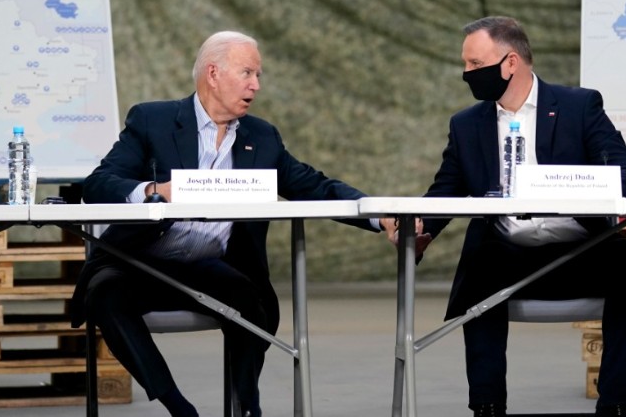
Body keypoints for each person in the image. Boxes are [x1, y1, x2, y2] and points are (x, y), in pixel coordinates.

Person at [70, 31, 396, 417]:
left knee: (251, 300)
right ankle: (178, 407)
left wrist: (377, 214)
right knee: (105, 292)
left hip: (207, 267)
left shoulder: (262, 137)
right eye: (247, 73)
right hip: (140, 262)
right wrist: (157, 191)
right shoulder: (151, 120)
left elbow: (314, 186)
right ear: (213, 73)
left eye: (258, 75)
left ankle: (244, 407)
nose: (256, 85)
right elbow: (100, 183)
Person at [409, 16, 626, 417]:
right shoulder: (467, 125)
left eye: (474, 64)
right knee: (479, 263)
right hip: (507, 258)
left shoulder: (579, 106)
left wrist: (565, 189)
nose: (466, 74)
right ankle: (487, 407)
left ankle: (616, 406)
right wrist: (421, 229)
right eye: (465, 64)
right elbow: (446, 190)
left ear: (511, 63)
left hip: (580, 250)